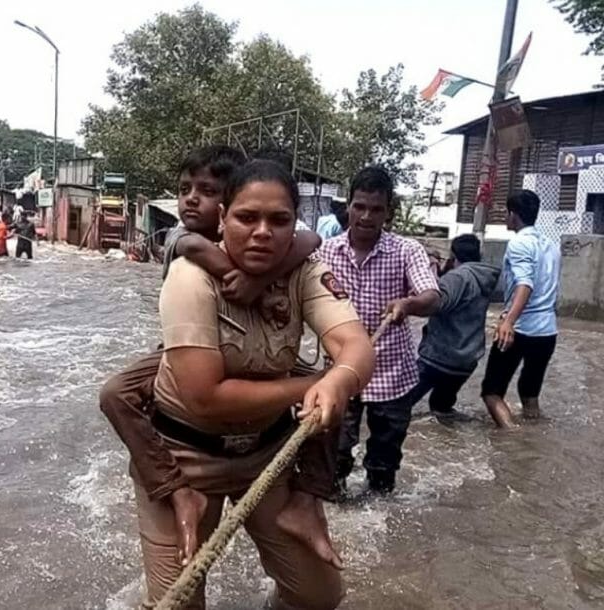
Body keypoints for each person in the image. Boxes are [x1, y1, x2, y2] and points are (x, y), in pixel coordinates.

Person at [126, 159, 374, 609]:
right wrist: (315, 383)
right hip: (185, 457)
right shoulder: (191, 277)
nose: (263, 232)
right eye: (247, 217)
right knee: (177, 604)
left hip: (267, 453)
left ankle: (307, 500)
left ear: (294, 225)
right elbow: (205, 398)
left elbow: (354, 343)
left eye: (279, 220)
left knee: (318, 596)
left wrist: (341, 378)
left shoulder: (305, 273)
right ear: (222, 219)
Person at [319, 166, 439, 496]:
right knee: (333, 457)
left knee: (385, 463)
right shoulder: (325, 253)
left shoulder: (407, 250)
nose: (366, 216)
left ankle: (381, 519)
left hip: (392, 374)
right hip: (342, 370)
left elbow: (431, 296)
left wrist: (408, 304)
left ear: (388, 212)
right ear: (348, 207)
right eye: (360, 206)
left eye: (376, 209)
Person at [386, 234, 500, 425]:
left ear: (453, 257)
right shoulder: (485, 276)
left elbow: (436, 302)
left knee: (397, 405)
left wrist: (431, 272)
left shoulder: (457, 277)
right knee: (441, 408)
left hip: (439, 357)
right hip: (466, 360)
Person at [480, 190, 561, 427]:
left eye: (507, 213)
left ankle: (513, 442)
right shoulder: (551, 246)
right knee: (529, 393)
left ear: (513, 215)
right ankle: (533, 439)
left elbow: (525, 285)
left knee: (491, 392)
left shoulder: (518, 243)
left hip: (521, 328)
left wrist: (508, 321)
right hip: (547, 332)